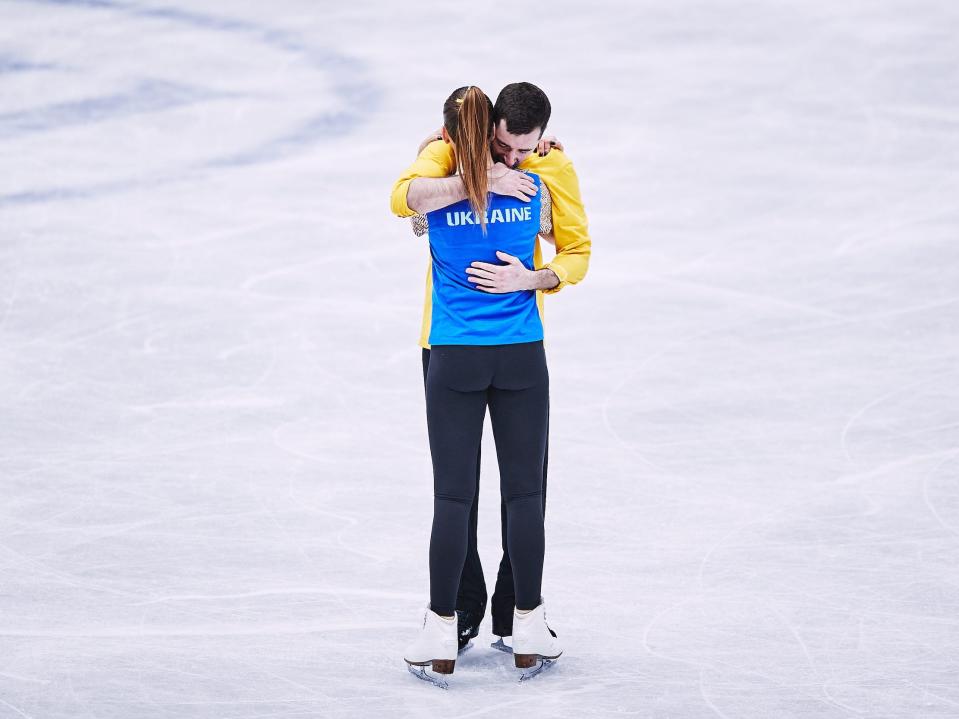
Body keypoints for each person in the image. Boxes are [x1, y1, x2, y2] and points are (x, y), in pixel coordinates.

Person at [391, 83, 590, 651]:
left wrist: (532, 277)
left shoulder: (549, 166)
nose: (514, 160)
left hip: (465, 346)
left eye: (525, 151)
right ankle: (490, 613)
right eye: (505, 147)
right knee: (510, 494)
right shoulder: (449, 154)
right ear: (489, 128)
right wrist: (483, 180)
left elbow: (575, 248)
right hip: (492, 346)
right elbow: (406, 194)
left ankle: (465, 621)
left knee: (461, 495)